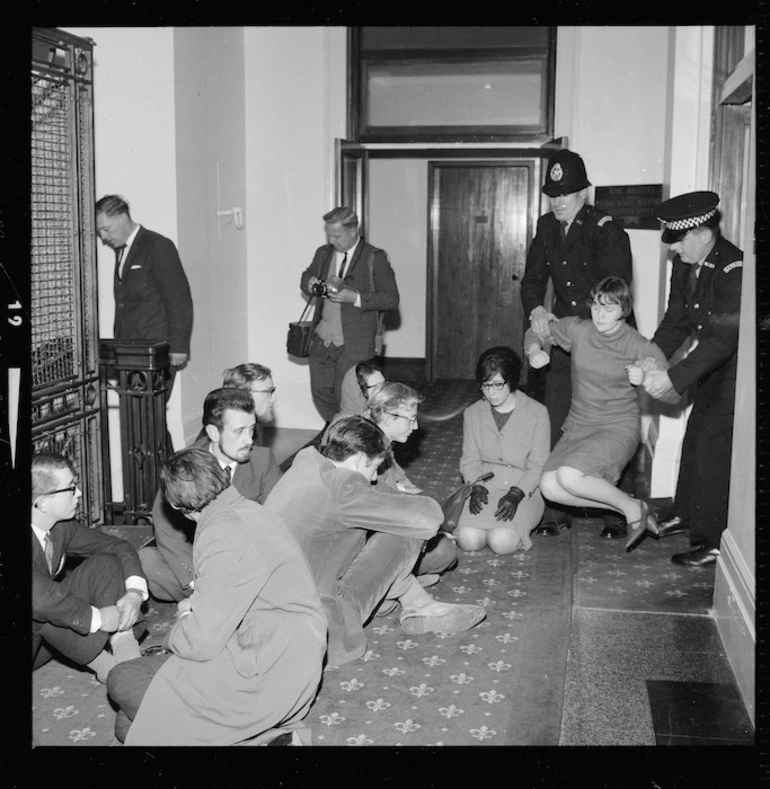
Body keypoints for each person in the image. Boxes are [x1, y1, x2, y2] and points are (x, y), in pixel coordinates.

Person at [107, 448, 326, 745]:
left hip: (268, 669)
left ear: (173, 503)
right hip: (281, 652)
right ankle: (260, 738)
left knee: (123, 679)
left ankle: (268, 738)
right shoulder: (248, 511)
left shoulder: (222, 531)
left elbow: (202, 642)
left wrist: (184, 617)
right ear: (222, 475)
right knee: (127, 724)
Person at [264, 416, 486, 666]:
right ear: (358, 458)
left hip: (277, 608)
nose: (373, 478)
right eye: (374, 469)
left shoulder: (306, 464)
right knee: (407, 529)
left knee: (371, 525)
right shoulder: (343, 488)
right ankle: (416, 603)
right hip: (323, 617)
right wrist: (394, 498)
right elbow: (430, 519)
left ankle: (398, 595)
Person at [520, 150, 634, 539]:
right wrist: (536, 307)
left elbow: (615, 291)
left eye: (565, 194)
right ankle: (557, 511)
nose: (557, 202)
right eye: (552, 194)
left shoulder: (605, 228)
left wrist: (586, 332)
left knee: (604, 419)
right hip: (564, 336)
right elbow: (533, 277)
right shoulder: (547, 226)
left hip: (602, 337)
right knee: (558, 414)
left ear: (583, 192)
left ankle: (616, 513)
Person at [525, 276, 669, 551]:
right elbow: (537, 330)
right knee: (549, 486)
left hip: (617, 426)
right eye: (597, 307)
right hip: (580, 424)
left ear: (624, 310)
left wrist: (648, 376)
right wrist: (533, 349)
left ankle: (631, 509)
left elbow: (671, 388)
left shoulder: (637, 344)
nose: (601, 315)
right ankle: (632, 506)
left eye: (610, 308)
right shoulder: (579, 330)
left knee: (568, 476)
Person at [639, 191, 742, 568]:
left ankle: (711, 540)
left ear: (702, 232)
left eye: (680, 238)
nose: (674, 248)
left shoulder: (735, 270)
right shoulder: (686, 264)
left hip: (736, 371)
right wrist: (649, 358)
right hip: (708, 366)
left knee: (714, 447)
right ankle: (686, 513)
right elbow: (676, 322)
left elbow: (722, 340)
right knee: (695, 437)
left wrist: (673, 379)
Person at [139, 387, 282, 602]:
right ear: (214, 433)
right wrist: (197, 582)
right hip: (200, 564)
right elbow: (167, 529)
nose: (249, 440)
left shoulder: (262, 461)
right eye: (239, 431)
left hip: (246, 562)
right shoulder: (185, 466)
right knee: (147, 561)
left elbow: (278, 518)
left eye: (251, 429)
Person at [32, 452, 147, 683]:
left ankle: (127, 660)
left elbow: (117, 545)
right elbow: (40, 599)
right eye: (71, 488)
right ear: (42, 501)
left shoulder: (62, 528)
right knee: (43, 604)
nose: (79, 494)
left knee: (105, 564)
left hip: (50, 636)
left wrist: (134, 593)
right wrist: (99, 618)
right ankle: (110, 669)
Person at [300, 206, 399, 423]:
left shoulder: (375, 257)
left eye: (337, 235)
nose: (332, 240)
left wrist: (354, 298)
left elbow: (391, 299)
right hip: (322, 341)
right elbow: (306, 276)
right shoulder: (323, 253)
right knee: (321, 393)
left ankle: (348, 435)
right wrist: (309, 282)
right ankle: (340, 428)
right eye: (329, 235)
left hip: (354, 344)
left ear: (353, 231)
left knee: (349, 398)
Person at [95, 195, 193, 400]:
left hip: (155, 351)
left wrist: (179, 347)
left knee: (151, 415)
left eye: (106, 229)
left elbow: (179, 300)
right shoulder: (122, 251)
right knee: (137, 417)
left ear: (122, 218)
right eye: (100, 231)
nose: (103, 237)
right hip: (129, 351)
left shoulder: (157, 245)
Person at [454, 346, 551, 555]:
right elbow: (469, 460)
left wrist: (517, 493)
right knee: (468, 539)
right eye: (485, 386)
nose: (491, 393)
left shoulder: (537, 412)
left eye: (498, 385)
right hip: (485, 488)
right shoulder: (472, 413)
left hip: (524, 489)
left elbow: (539, 466)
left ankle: (509, 529)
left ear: (513, 380)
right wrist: (476, 485)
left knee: (502, 542)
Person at [363, 382, 459, 576]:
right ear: (390, 418)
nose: (415, 426)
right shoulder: (371, 457)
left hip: (383, 533)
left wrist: (433, 522)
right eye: (412, 419)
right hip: (370, 546)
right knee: (445, 551)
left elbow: (404, 485)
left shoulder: (380, 444)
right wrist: (427, 530)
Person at [194, 362, 278, 447]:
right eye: (268, 392)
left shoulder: (255, 426)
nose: (274, 398)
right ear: (243, 394)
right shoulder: (211, 442)